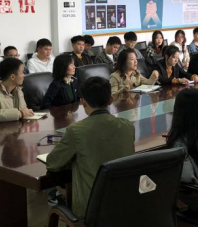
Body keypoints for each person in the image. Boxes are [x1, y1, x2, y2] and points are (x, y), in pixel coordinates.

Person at [46, 77, 135, 219]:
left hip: (92, 212)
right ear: (110, 100)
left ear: (83, 102)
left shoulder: (76, 131)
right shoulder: (128, 126)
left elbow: (52, 163)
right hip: (126, 204)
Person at [0, 57, 34, 125]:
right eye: (22, 72)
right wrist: (20, 113)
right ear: (12, 77)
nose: (24, 75)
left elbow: (24, 111)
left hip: (12, 129)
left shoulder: (18, 90)